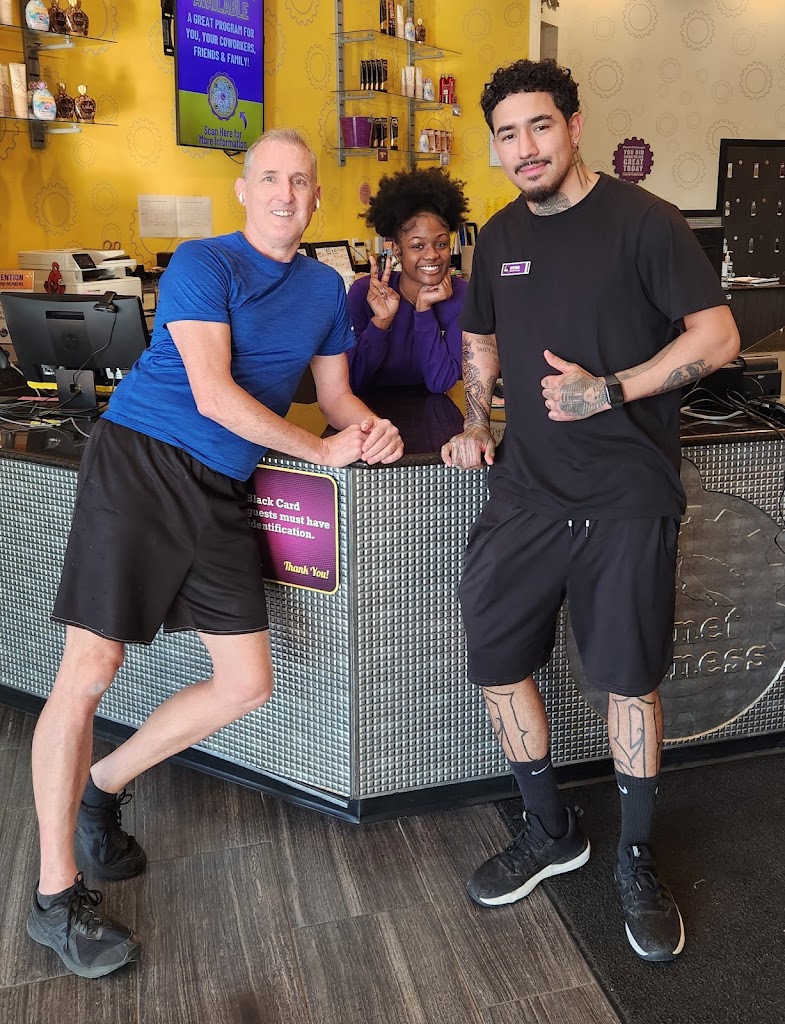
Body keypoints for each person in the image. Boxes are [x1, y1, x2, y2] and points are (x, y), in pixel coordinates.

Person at [26, 128, 403, 979]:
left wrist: (370, 430)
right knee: (89, 668)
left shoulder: (325, 288)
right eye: (269, 178)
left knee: (245, 683)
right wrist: (320, 451)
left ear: (315, 198)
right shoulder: (205, 262)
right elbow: (211, 393)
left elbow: (336, 395)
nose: (284, 194)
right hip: (141, 462)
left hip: (222, 483)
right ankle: (54, 897)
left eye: (299, 182)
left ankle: (103, 787)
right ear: (244, 189)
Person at [441, 60, 739, 962]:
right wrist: (475, 419)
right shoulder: (496, 238)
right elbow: (479, 336)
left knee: (627, 684)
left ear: (572, 126)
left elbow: (718, 336)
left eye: (538, 126)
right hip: (524, 495)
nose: (523, 147)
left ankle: (635, 856)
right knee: (495, 663)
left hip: (624, 499)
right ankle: (549, 830)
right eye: (506, 134)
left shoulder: (645, 223)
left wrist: (609, 389)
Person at [347, 167, 470, 395]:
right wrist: (381, 322)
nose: (432, 254)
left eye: (441, 244)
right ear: (397, 250)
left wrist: (424, 311)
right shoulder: (364, 293)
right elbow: (353, 381)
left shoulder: (462, 296)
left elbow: (440, 382)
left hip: (436, 410)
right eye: (417, 246)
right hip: (369, 412)